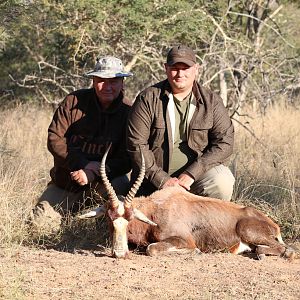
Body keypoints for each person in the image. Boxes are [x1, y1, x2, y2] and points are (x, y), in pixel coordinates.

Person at [31, 56, 133, 233]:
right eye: (101, 80)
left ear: (122, 82)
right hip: (67, 181)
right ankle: (65, 215)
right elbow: (54, 139)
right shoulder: (73, 102)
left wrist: (96, 171)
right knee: (39, 226)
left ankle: (102, 225)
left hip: (107, 183)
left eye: (114, 81)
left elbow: (128, 157)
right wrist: (82, 165)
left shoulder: (129, 111)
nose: (107, 87)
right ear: (93, 80)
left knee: (121, 206)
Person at [127, 45, 235, 200]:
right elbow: (136, 144)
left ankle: (204, 221)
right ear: (166, 68)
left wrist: (192, 173)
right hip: (154, 182)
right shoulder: (147, 98)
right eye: (175, 68)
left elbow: (225, 142)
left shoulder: (212, 101)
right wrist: (162, 180)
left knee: (222, 182)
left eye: (186, 68)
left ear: (196, 68)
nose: (180, 74)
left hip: (195, 180)